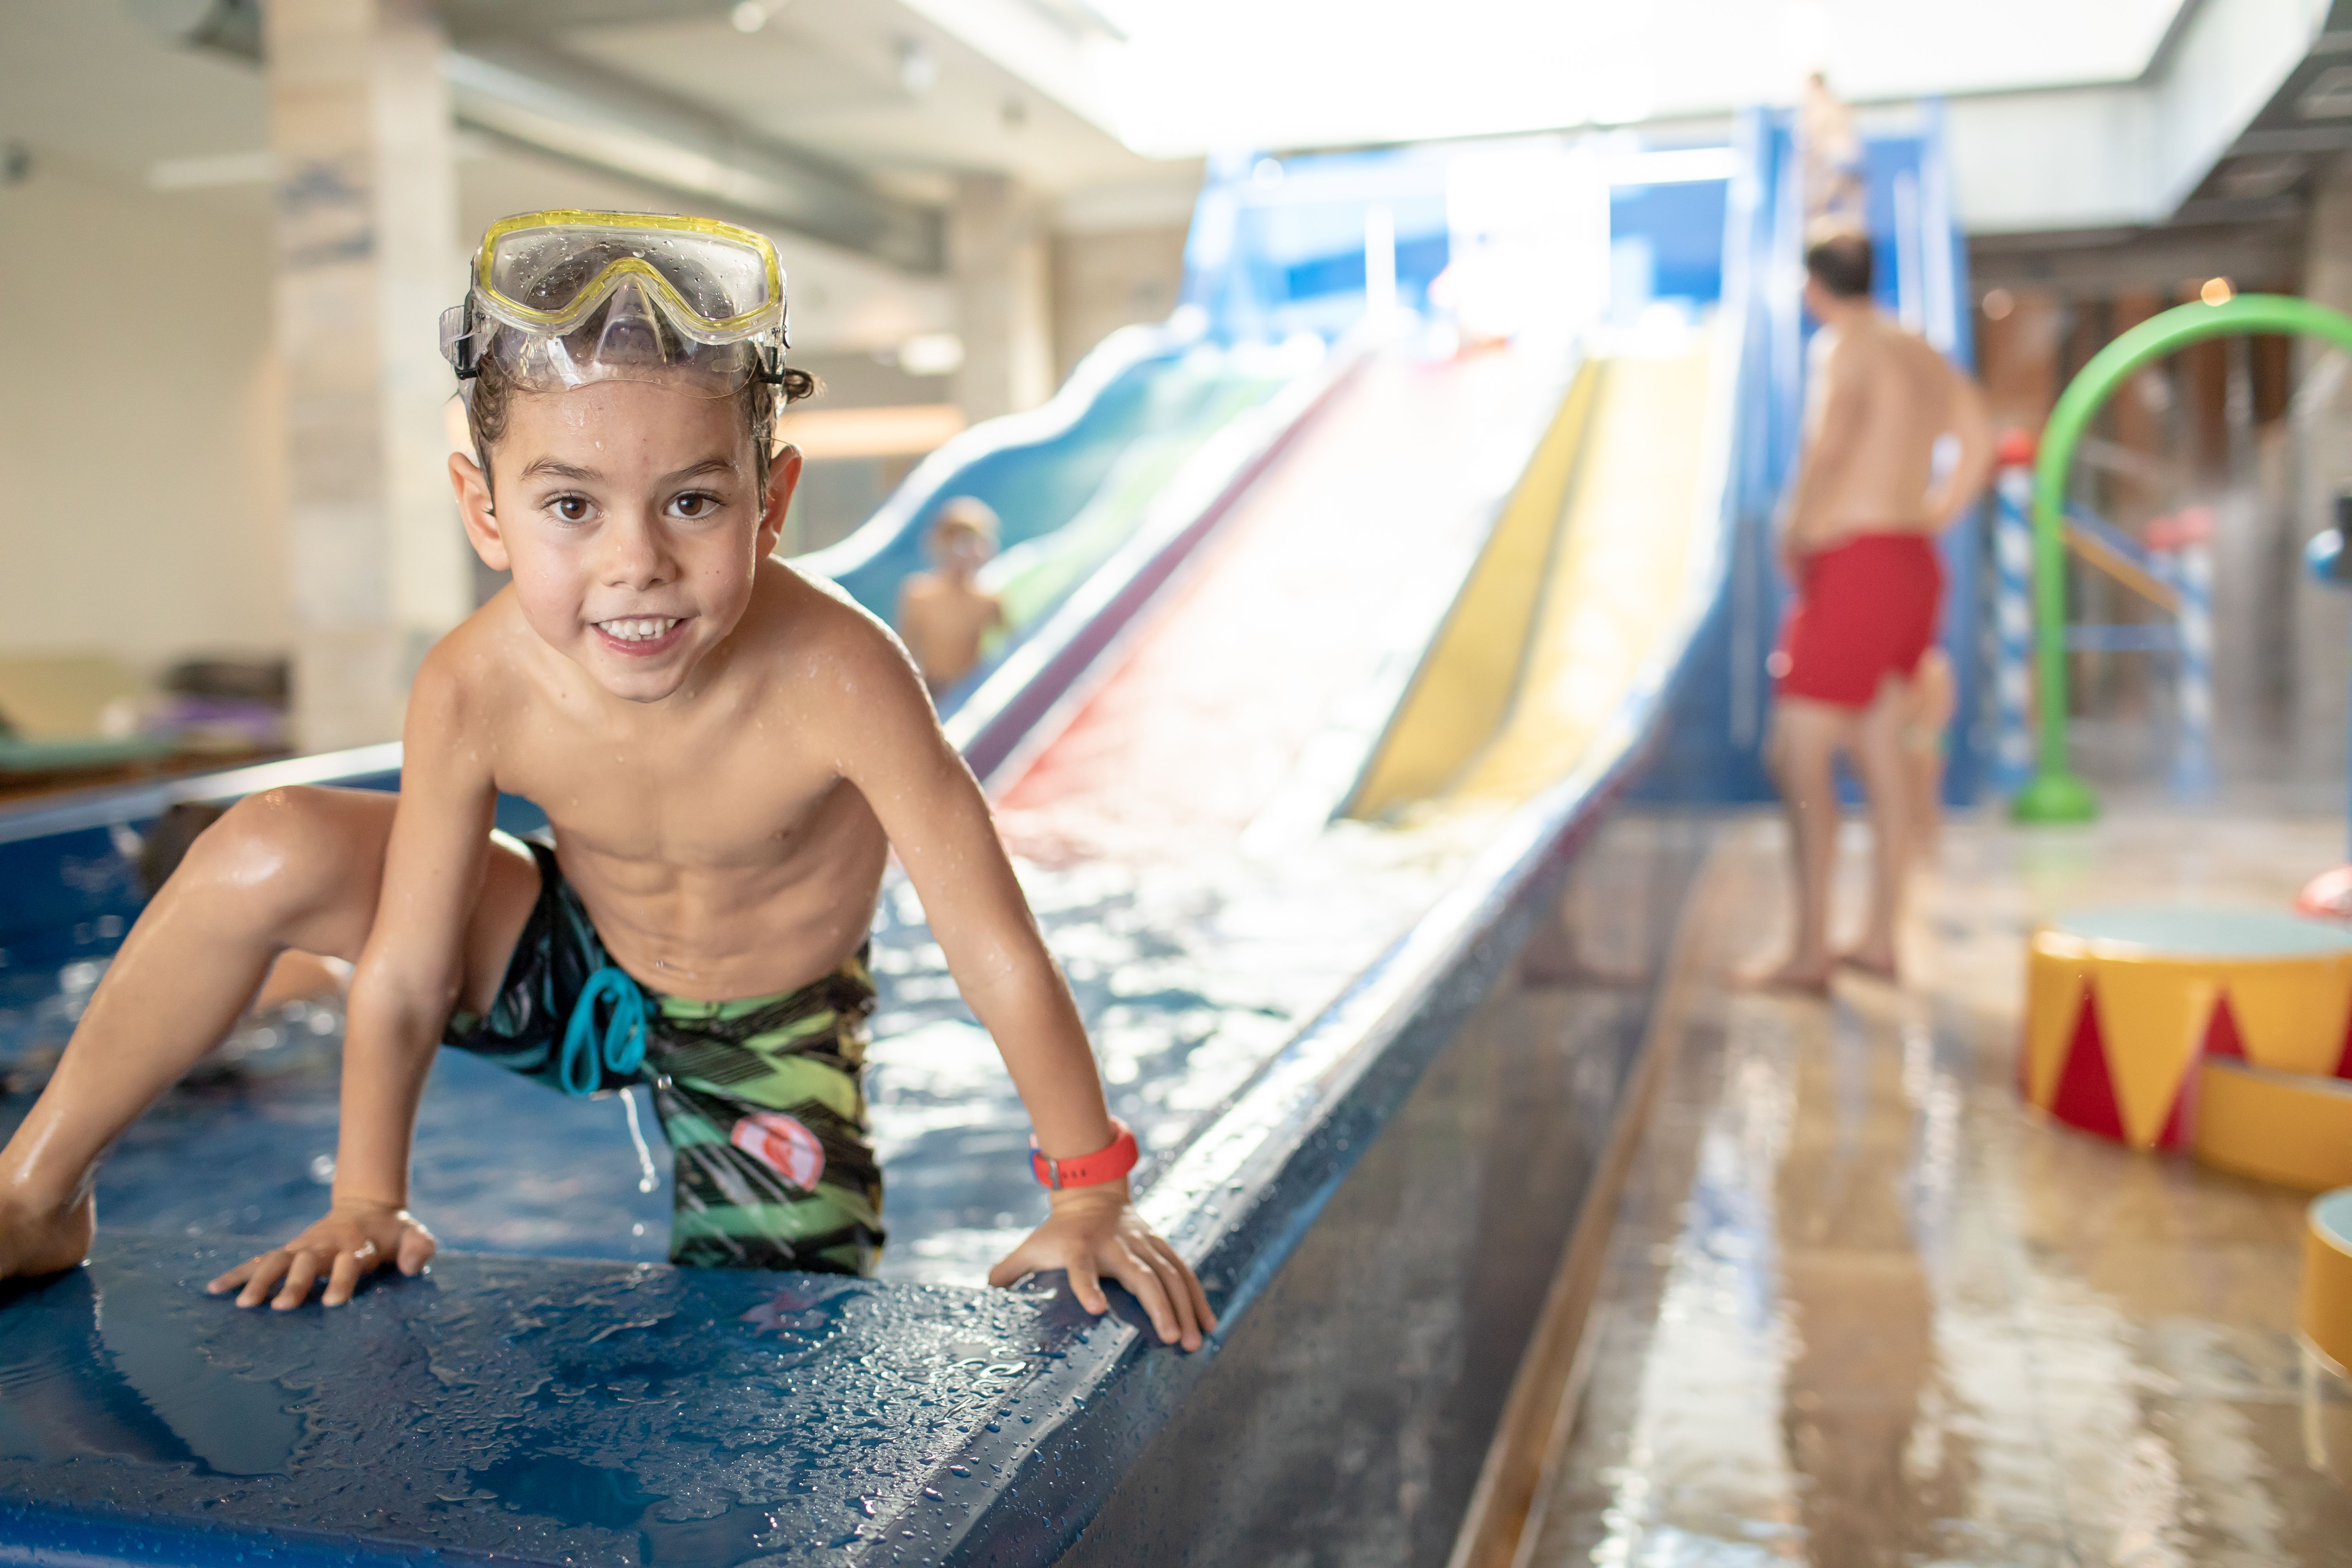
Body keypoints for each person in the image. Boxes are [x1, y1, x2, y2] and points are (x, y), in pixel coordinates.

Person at [0, 211, 1212, 1352]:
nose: (637, 563)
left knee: (773, 1344)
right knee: (265, 841)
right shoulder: (473, 685)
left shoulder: (842, 673)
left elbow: (991, 941)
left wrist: (1089, 1190)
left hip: (769, 1033)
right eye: (571, 505)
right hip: (573, 966)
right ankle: (37, 1189)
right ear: (483, 507)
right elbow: (412, 962)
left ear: (771, 503)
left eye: (692, 501)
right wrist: (369, 1195)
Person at [1754, 228, 1990, 993]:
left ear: (1813, 286)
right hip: (1913, 564)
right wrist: (1930, 512)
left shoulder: (1842, 345)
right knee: (1884, 755)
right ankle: (1882, 940)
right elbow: (1980, 444)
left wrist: (1793, 528)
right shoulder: (1922, 350)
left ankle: (1807, 949)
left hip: (1854, 560)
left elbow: (1829, 444)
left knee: (1796, 755)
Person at [897, 498, 1006, 692]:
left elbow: (1012, 648)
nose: (963, 553)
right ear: (939, 544)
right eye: (957, 542)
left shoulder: (988, 600)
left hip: (970, 691)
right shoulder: (919, 594)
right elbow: (905, 652)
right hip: (933, 688)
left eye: (972, 543)